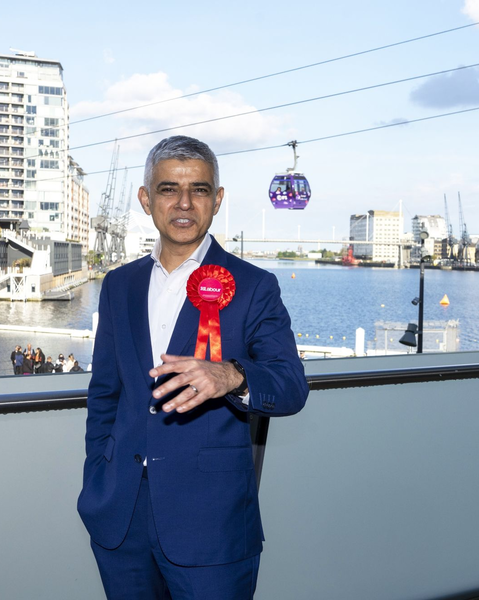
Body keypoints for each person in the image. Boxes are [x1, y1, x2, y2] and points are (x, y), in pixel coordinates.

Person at [78, 135, 308, 599]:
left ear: (217, 200)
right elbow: (105, 393)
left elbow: (290, 385)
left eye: (199, 190)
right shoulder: (119, 285)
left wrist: (232, 375)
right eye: (168, 189)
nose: (184, 202)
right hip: (120, 516)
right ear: (146, 200)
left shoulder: (254, 286)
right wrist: (96, 476)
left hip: (211, 524)